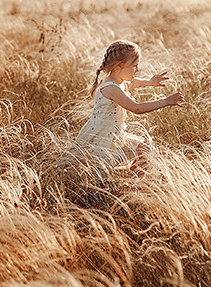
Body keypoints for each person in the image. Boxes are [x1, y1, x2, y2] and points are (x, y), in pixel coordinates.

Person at [59, 40, 183, 186]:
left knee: (144, 149)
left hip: (115, 134)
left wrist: (150, 82)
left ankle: (135, 184)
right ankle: (100, 189)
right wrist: (165, 101)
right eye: (134, 65)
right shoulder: (111, 88)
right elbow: (136, 108)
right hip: (103, 138)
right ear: (119, 66)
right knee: (99, 177)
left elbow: (134, 82)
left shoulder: (118, 81)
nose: (137, 69)